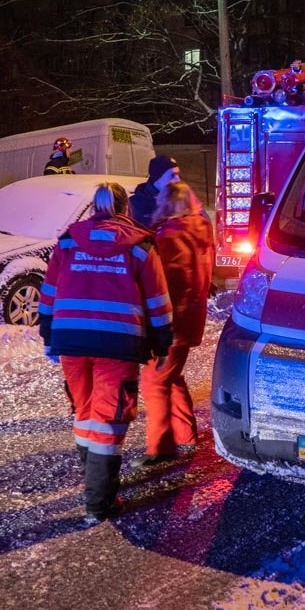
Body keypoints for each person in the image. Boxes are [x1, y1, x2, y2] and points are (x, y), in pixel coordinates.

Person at [37, 182, 173, 523]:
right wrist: (162, 341)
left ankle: (94, 486)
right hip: (118, 341)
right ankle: (99, 503)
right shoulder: (140, 246)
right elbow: (157, 301)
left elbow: (49, 290)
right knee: (108, 420)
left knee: (84, 411)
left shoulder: (69, 240)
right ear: (125, 207)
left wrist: (48, 332)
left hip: (71, 339)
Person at [138, 181, 214, 466]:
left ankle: (160, 446)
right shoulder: (200, 231)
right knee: (172, 376)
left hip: (171, 322)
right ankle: (185, 435)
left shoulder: (169, 237)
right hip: (190, 319)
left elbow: (161, 282)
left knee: (154, 381)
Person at [129, 154, 180, 228]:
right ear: (157, 178)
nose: (178, 179)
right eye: (172, 175)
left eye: (178, 175)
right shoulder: (135, 206)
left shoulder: (182, 200)